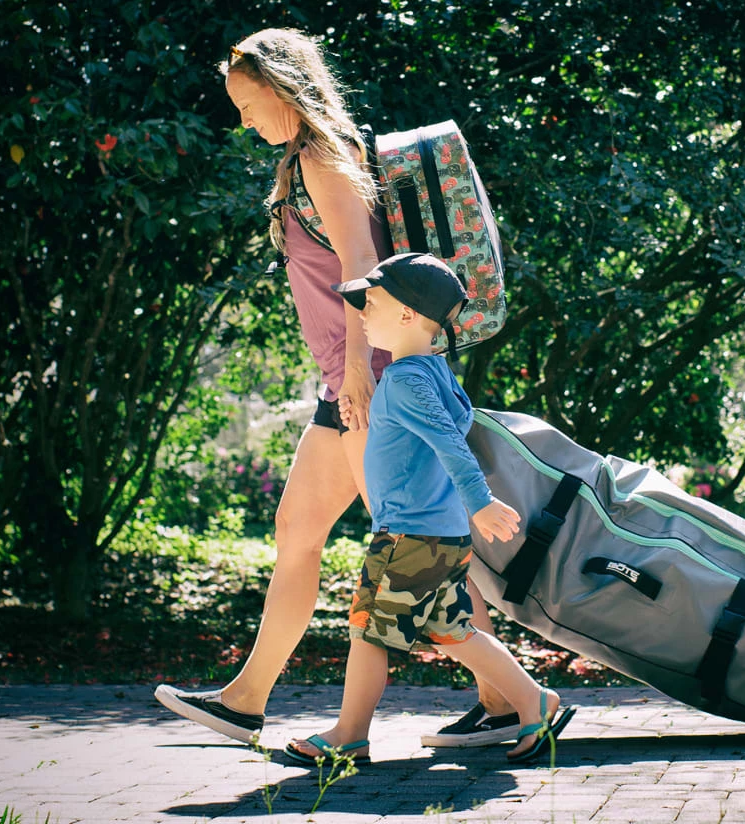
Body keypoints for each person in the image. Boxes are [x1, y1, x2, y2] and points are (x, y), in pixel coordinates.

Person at [154, 27, 522, 749]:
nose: (244, 120)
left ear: (286, 90)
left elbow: (361, 264)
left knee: (413, 543)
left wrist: (357, 377)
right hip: (352, 380)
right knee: (299, 533)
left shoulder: (324, 155)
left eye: (250, 104)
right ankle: (246, 698)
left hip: (374, 383)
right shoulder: (303, 157)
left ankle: (509, 699)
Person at [284, 252, 575, 765]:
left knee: (370, 630)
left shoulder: (405, 380)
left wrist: (481, 503)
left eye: (371, 302)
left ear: (407, 316)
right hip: (439, 534)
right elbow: (445, 429)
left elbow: (447, 442)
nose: (362, 311)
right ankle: (534, 701)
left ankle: (349, 733)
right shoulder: (432, 373)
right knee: (453, 631)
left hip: (408, 534)